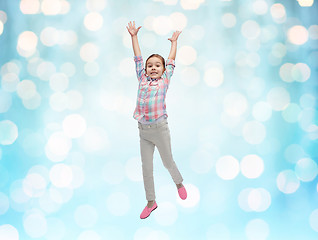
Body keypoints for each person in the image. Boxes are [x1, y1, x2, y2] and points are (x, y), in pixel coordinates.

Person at [126, 21, 187, 219]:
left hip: (160, 129)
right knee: (146, 167)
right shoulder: (142, 78)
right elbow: (137, 57)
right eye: (150, 66)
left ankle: (178, 183)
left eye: (157, 65)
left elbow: (171, 60)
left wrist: (174, 43)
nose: (153, 68)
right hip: (143, 131)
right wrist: (134, 37)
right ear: (145, 70)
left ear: (163, 70)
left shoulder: (165, 80)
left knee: (167, 162)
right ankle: (151, 202)